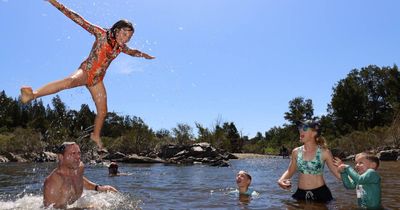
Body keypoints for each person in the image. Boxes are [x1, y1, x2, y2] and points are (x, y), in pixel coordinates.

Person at [20, 0, 155, 150]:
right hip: (86, 71)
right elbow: (76, 17)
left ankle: (95, 136)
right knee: (69, 81)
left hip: (97, 80)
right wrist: (54, 2)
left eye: (129, 37)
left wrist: (143, 55)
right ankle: (32, 95)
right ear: (116, 30)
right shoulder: (101, 34)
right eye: (124, 34)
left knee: (103, 111)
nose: (125, 39)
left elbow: (132, 52)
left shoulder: (120, 47)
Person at [277, 120, 341, 203]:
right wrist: (281, 180)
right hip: (300, 194)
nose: (300, 130)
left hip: (321, 194)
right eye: (299, 128)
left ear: (314, 133)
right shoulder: (296, 152)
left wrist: (358, 180)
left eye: (305, 128)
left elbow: (337, 173)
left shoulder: (324, 152)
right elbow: (290, 170)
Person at [43, 142, 118, 209]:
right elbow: (50, 208)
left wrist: (98, 188)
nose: (78, 157)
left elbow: (80, 179)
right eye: (73, 153)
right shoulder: (51, 183)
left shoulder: (79, 167)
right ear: (61, 157)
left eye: (79, 153)